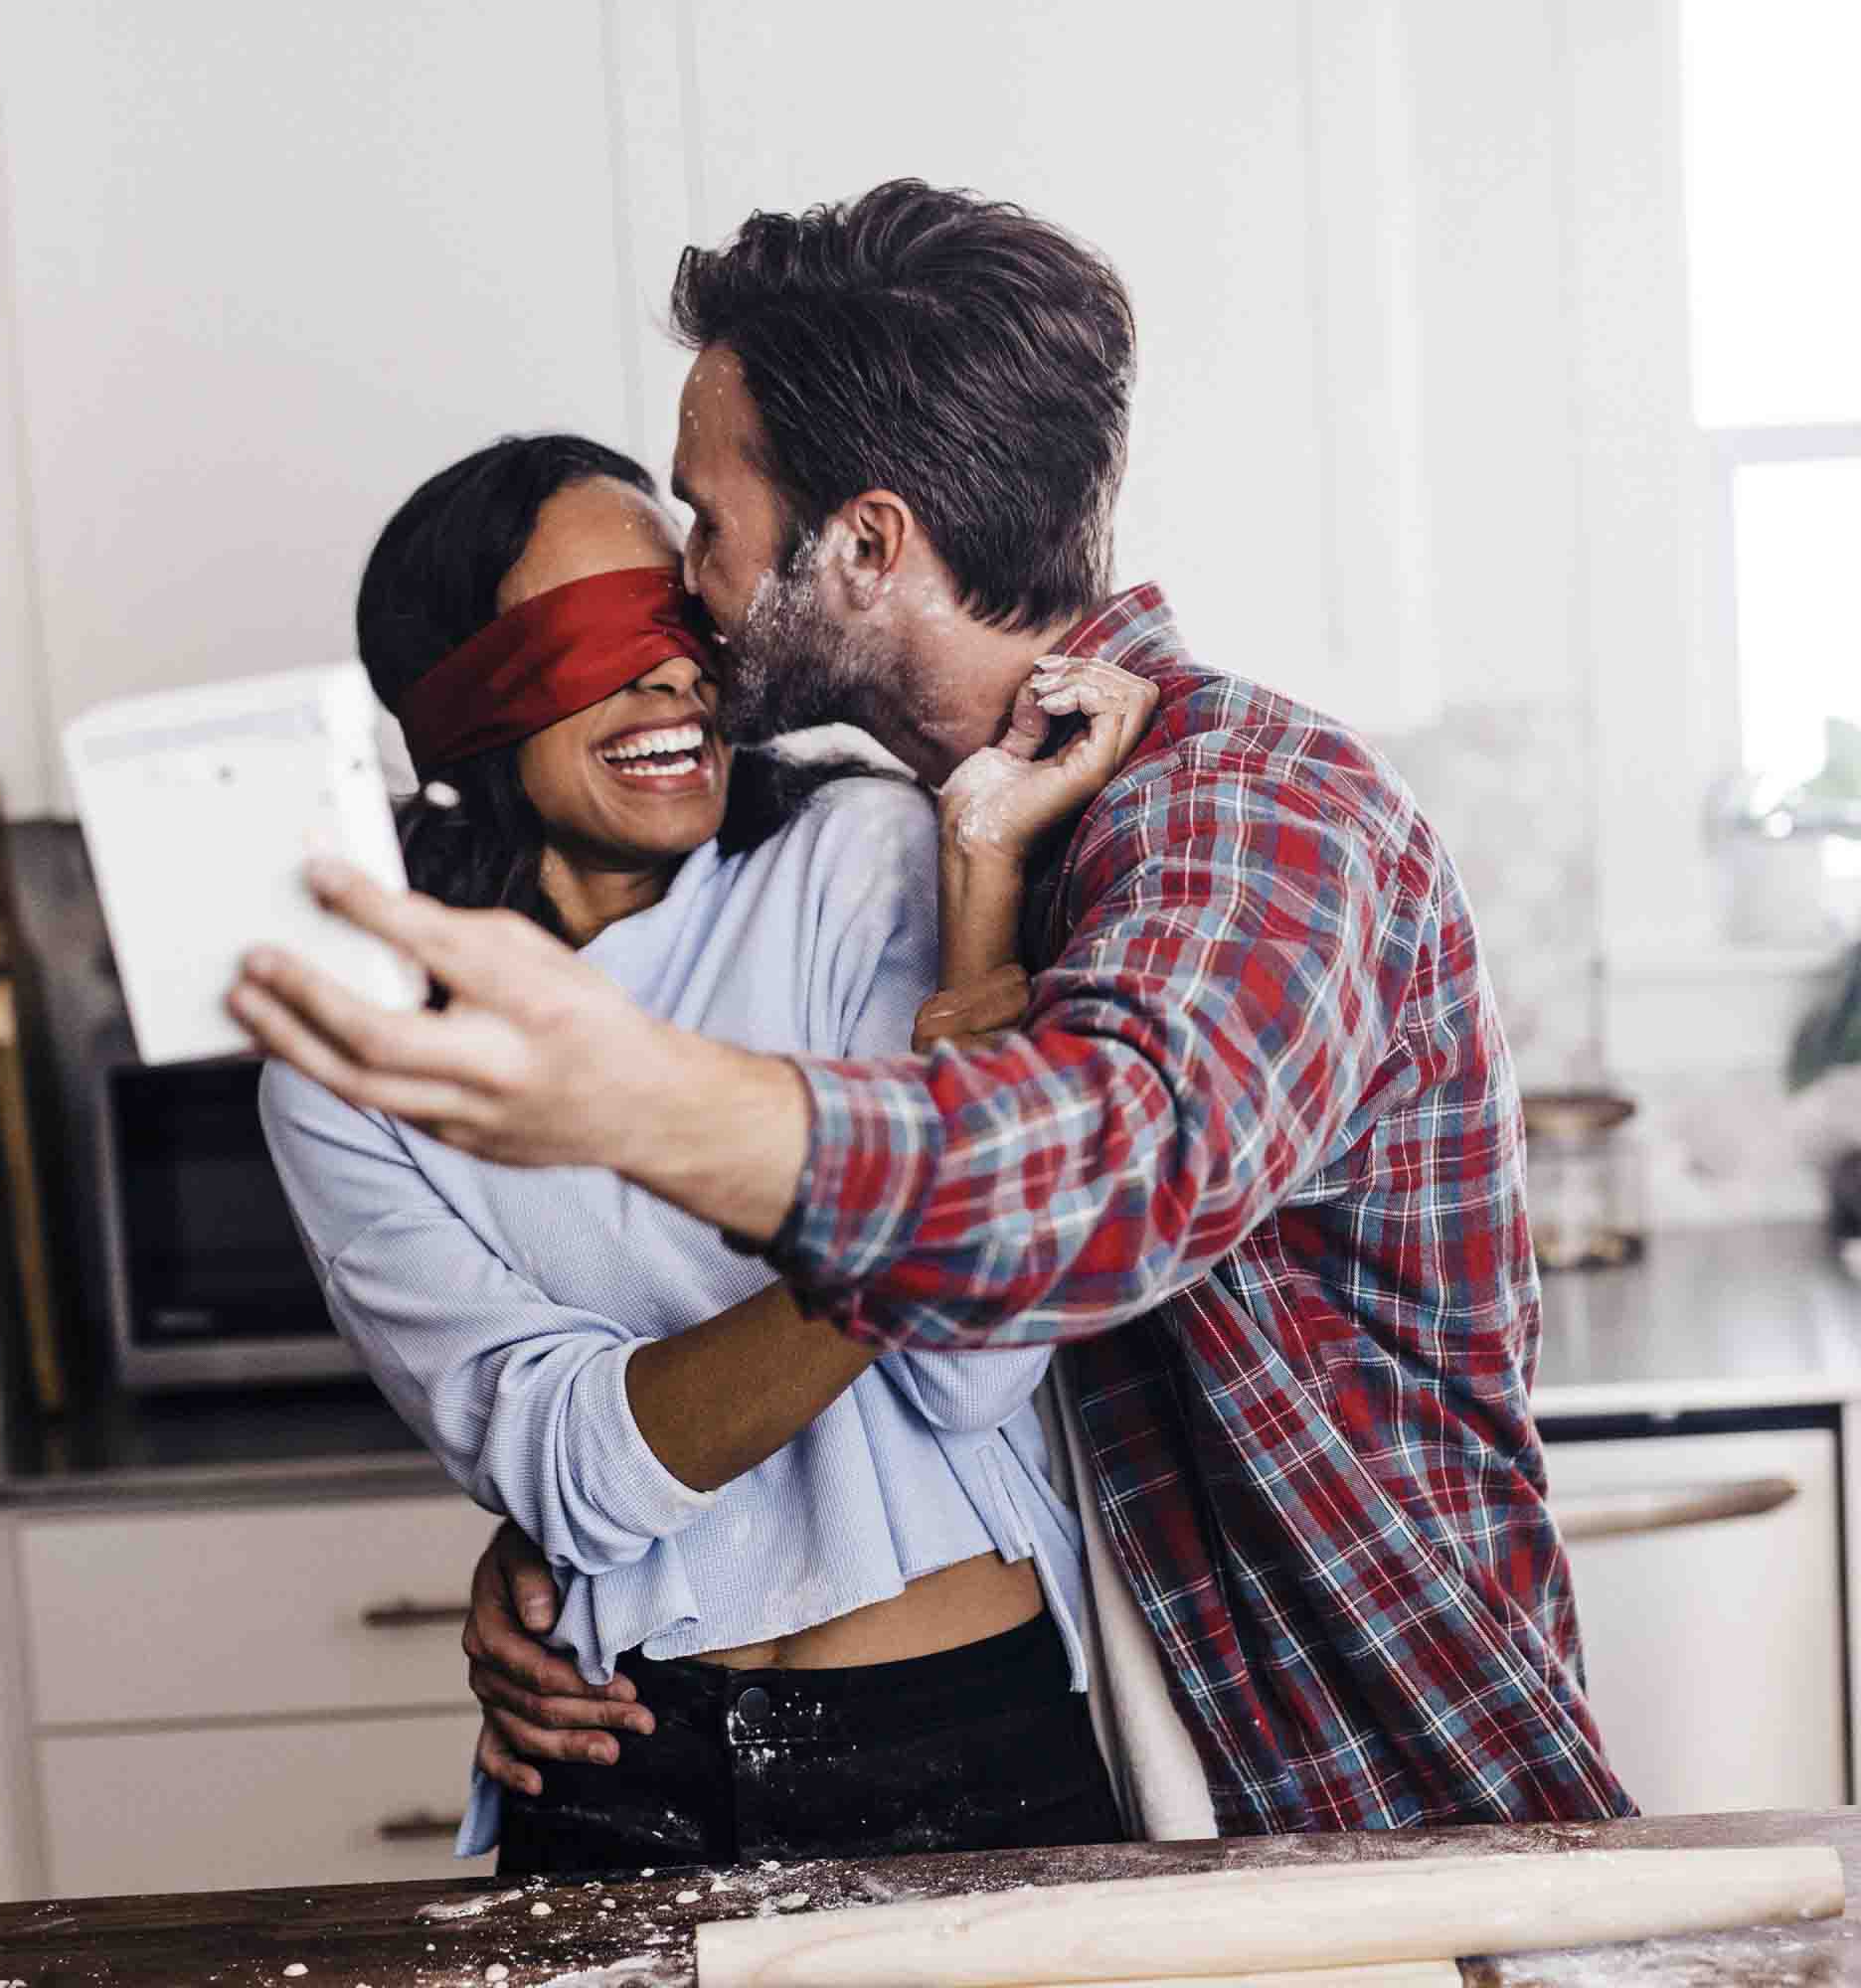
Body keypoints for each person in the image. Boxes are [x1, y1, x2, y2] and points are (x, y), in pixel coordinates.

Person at [233, 180, 1637, 1835]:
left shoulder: (1247, 811)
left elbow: (1110, 1173)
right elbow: (715, 1425)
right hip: (1138, 1776)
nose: (688, 601)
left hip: (1365, 1787)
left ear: (871, 544)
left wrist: (640, 1104)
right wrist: (593, 1521)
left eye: (702, 519)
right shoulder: (1000, 827)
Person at [256, 431, 1146, 1876]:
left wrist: (976, 907)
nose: (673, 673)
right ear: (460, 697)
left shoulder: (858, 856)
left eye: (679, 620)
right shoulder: (362, 1065)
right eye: (588, 641)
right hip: (614, 1769)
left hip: (964, 1739)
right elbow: (569, 1467)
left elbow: (976, 1357)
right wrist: (922, 1207)